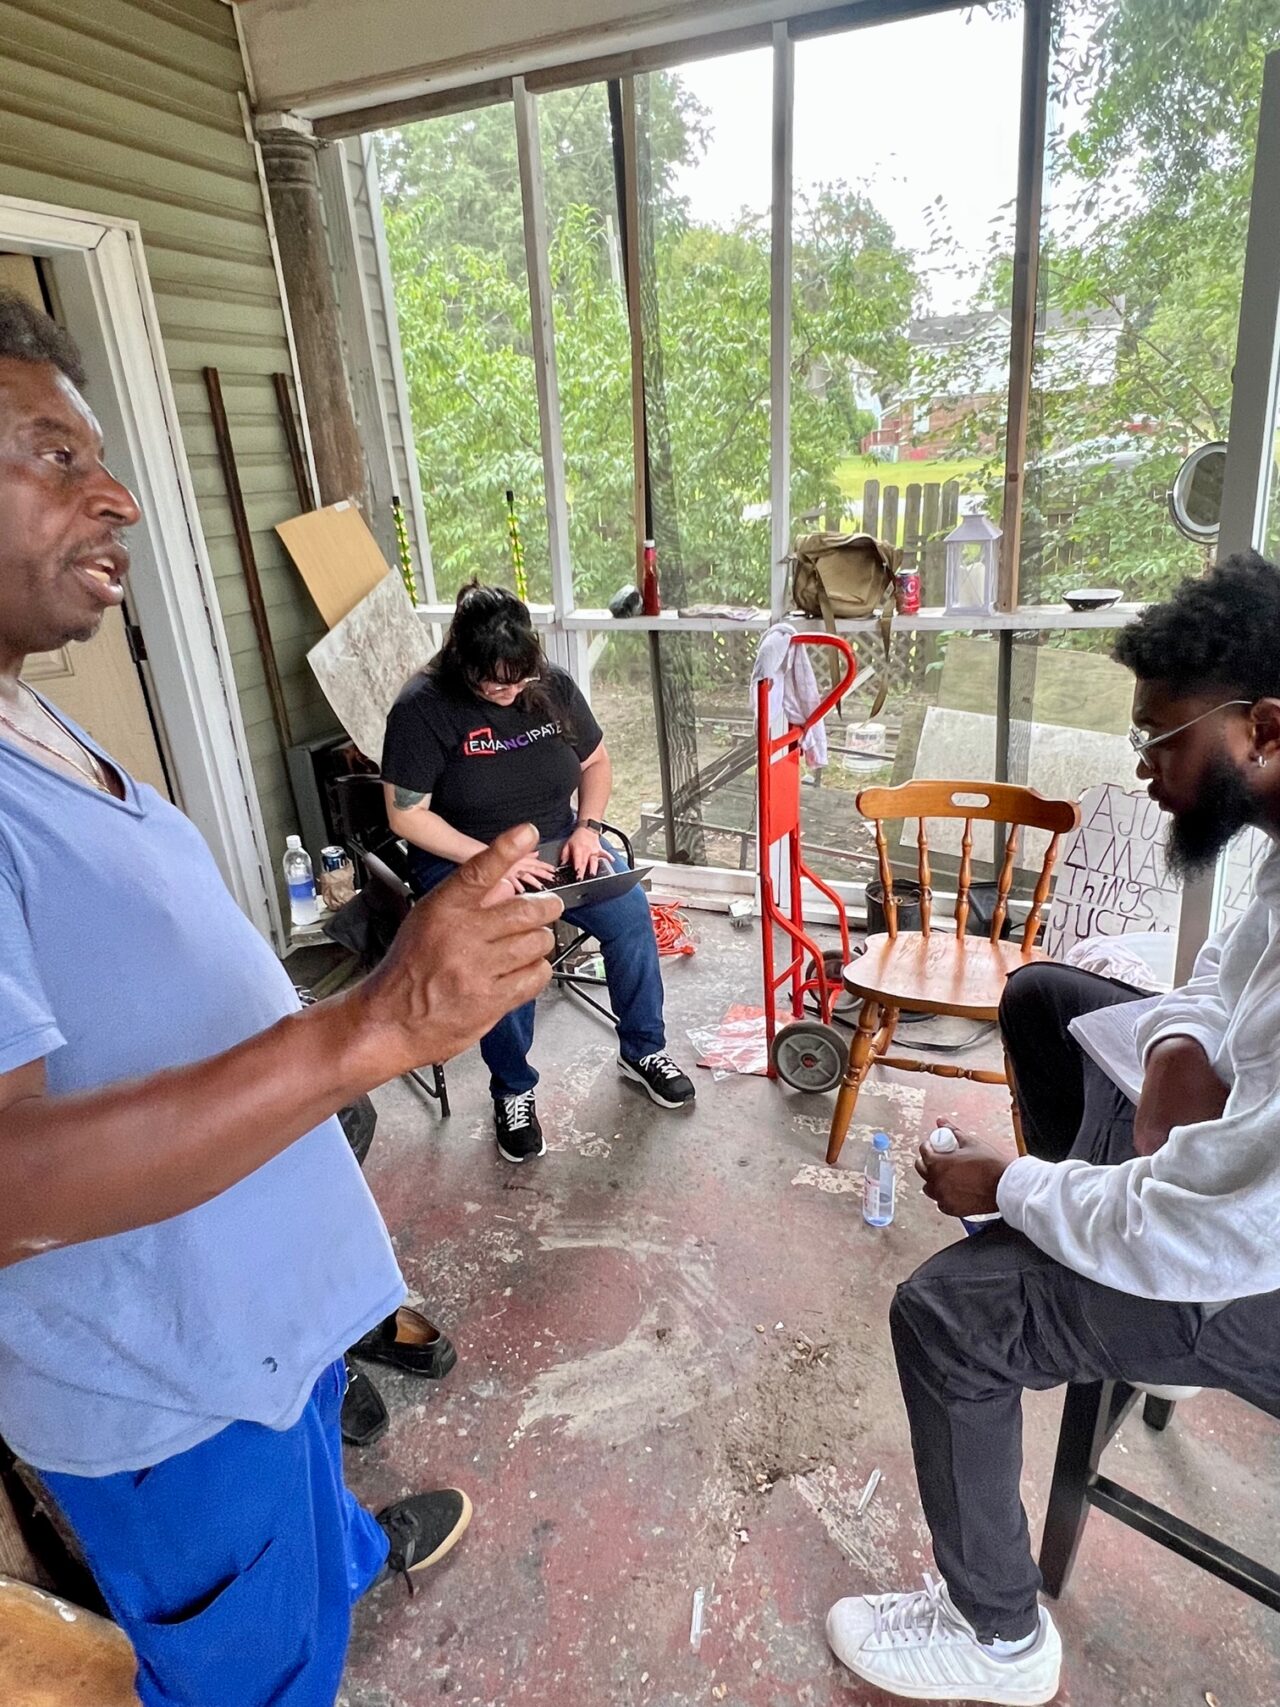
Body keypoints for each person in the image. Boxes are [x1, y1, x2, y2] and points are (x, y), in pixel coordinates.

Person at [0, 288, 562, 1707]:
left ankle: (340, 1559)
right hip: (165, 1386)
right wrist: (374, 1023)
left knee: (309, 1500)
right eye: (54, 456)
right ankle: (285, 1613)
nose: (117, 496)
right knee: (248, 1669)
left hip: (254, 1311)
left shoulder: (29, 711)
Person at [825, 552, 1280, 1705]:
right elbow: (1219, 976)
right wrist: (1174, 1049)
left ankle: (995, 1639)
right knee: (1042, 997)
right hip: (1222, 1195)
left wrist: (1008, 1189)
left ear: (1262, 729)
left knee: (943, 1314)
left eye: (1160, 738)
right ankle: (1084, 1251)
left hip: (1252, 1269)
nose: (1142, 768)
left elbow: (1215, 1223)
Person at [381, 582, 695, 1162]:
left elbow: (596, 762)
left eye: (520, 678)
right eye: (495, 683)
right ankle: (512, 1090)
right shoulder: (422, 708)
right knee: (514, 949)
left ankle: (642, 1049)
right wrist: (490, 862)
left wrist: (588, 829)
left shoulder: (550, 687)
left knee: (630, 917)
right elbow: (406, 816)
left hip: (557, 844)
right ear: (462, 661)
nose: (510, 691)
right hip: (466, 856)